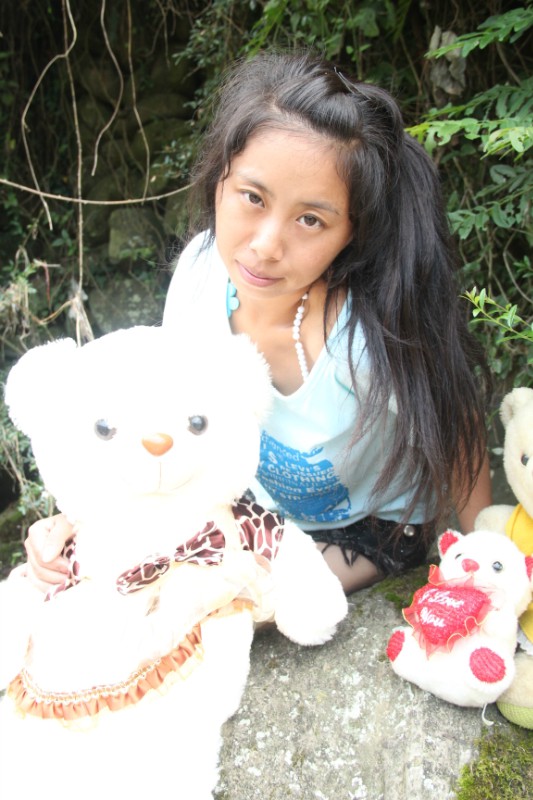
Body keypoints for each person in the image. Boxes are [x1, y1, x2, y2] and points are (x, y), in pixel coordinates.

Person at [23, 51, 492, 595]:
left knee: (222, 598)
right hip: (248, 511)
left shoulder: (362, 340)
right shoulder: (200, 272)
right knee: (97, 574)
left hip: (369, 529)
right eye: (252, 197)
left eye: (310, 219)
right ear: (218, 178)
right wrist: (79, 521)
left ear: (353, 233)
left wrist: (491, 559)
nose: (267, 245)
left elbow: (456, 427)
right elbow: (161, 418)